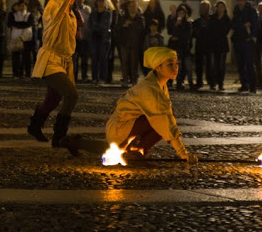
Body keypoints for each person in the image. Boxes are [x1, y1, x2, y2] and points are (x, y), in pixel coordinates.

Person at [59, 47, 198, 164]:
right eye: (170, 64)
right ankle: (134, 151)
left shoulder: (159, 84)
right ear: (158, 67)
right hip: (121, 126)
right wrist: (183, 153)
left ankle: (135, 151)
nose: (175, 68)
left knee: (120, 146)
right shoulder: (150, 89)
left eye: (176, 64)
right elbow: (165, 121)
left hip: (128, 124)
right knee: (158, 122)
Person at [27, 0, 90, 148]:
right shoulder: (54, 7)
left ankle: (35, 125)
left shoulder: (70, 12)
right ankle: (59, 137)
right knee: (71, 95)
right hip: (51, 59)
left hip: (64, 60)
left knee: (53, 99)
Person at [231, 0, 258, 93]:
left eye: (241, 1)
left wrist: (251, 37)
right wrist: (242, 25)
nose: (239, 3)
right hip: (238, 40)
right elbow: (233, 24)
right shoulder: (236, 10)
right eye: (238, 1)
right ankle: (244, 84)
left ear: (245, 1)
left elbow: (255, 25)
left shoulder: (251, 11)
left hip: (247, 41)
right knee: (240, 64)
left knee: (249, 64)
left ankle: (252, 85)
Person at [116, 0, 144, 87]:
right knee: (124, 63)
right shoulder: (123, 18)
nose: (132, 8)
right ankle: (125, 80)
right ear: (127, 8)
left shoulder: (140, 18)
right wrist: (123, 26)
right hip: (124, 43)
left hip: (135, 44)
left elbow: (142, 28)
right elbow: (117, 28)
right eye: (131, 6)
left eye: (134, 6)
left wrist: (130, 24)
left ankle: (134, 80)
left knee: (134, 63)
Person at [87, 0, 112, 85]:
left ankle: (102, 78)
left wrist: (96, 26)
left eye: (102, 1)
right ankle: (94, 77)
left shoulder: (108, 14)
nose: (101, 3)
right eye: (99, 0)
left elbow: (106, 25)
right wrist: (96, 27)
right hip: (94, 38)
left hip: (103, 39)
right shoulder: (93, 14)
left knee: (102, 59)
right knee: (94, 59)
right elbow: (89, 25)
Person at [169, 5, 194, 91]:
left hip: (185, 46)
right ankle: (178, 82)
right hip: (177, 46)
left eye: (182, 13)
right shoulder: (174, 22)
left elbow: (187, 35)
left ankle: (190, 82)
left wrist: (178, 36)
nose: (181, 14)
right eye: (179, 13)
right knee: (178, 65)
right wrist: (176, 25)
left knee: (187, 65)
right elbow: (171, 33)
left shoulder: (188, 23)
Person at [208, 0, 231, 91]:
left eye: (222, 6)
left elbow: (225, 31)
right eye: (219, 6)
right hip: (213, 43)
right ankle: (213, 83)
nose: (220, 8)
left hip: (222, 44)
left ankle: (220, 83)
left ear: (224, 8)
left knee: (221, 65)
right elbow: (210, 29)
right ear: (216, 8)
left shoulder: (227, 19)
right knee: (213, 64)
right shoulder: (212, 17)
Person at [8, 0, 33, 79]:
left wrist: (17, 24)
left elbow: (29, 23)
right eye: (20, 5)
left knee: (26, 58)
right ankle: (16, 74)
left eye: (24, 5)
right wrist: (23, 24)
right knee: (15, 57)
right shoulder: (13, 15)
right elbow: (10, 23)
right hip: (15, 38)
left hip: (26, 38)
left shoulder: (29, 15)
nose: (22, 7)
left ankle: (28, 74)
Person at [193, 0, 213, 90]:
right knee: (199, 64)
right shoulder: (197, 21)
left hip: (209, 44)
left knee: (210, 64)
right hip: (200, 44)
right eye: (201, 8)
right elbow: (193, 33)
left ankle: (211, 81)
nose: (202, 9)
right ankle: (199, 81)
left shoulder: (212, 20)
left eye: (205, 8)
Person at [72, 0, 91, 82]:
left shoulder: (87, 9)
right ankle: (73, 76)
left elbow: (85, 22)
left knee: (84, 59)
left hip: (85, 36)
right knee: (74, 58)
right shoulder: (72, 9)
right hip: (75, 37)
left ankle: (84, 76)